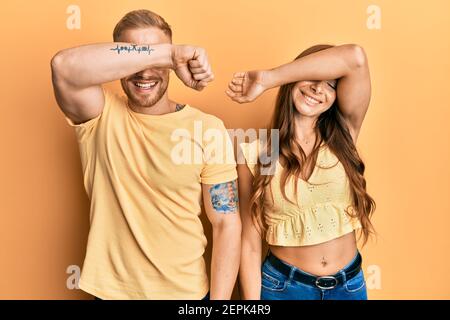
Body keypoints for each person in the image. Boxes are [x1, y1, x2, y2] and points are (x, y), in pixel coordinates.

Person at [51, 9, 241, 300]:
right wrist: (166, 54)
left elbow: (226, 223)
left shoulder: (207, 128)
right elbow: (63, 65)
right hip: (113, 294)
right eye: (137, 56)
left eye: (156, 56)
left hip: (187, 295)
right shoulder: (100, 115)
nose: (145, 71)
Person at [227, 44, 375, 300]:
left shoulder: (345, 137)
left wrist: (267, 79)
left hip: (348, 288)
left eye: (331, 85)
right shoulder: (256, 154)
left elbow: (356, 57)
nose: (319, 89)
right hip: (284, 289)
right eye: (311, 78)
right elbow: (249, 245)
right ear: (292, 79)